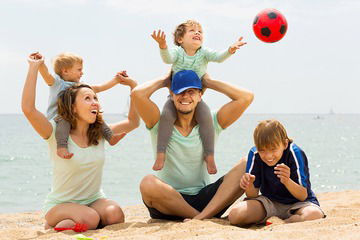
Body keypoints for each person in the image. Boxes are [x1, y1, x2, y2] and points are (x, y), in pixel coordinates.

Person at [22, 54, 140, 230]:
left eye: (95, 98)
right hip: (59, 205)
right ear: (73, 107)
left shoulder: (98, 132)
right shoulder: (55, 133)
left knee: (115, 214)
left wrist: (133, 87)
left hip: (93, 200)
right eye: (87, 98)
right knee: (91, 218)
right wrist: (33, 67)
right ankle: (60, 220)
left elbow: (133, 123)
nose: (95, 103)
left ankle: (68, 224)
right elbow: (29, 109)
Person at [131, 69, 254, 221]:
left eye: (191, 92)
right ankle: (200, 218)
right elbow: (137, 94)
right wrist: (164, 80)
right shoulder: (159, 123)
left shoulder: (213, 122)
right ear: (172, 95)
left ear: (200, 95)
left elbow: (246, 97)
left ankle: (200, 217)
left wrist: (209, 82)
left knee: (247, 163)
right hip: (169, 203)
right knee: (148, 183)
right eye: (180, 92)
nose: (185, 97)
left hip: (205, 201)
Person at [151, 20, 247, 174]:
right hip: (176, 97)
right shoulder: (178, 52)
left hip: (195, 98)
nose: (197, 33)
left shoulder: (204, 53)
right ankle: (161, 154)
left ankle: (209, 156)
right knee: (167, 117)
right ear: (180, 39)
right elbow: (167, 59)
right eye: (192, 31)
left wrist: (230, 49)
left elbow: (218, 57)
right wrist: (163, 45)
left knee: (206, 118)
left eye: (200, 31)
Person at [228, 120, 325, 226]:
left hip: (299, 204)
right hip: (270, 202)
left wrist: (287, 181)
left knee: (313, 214)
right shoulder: (255, 154)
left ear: (284, 144)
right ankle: (274, 219)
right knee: (235, 215)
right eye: (262, 150)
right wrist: (249, 185)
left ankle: (283, 222)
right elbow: (252, 195)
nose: (268, 156)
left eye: (273, 149)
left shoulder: (295, 153)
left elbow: (302, 195)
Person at [33, 51, 125, 159]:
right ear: (65, 71)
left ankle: (110, 137)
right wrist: (40, 63)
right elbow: (46, 75)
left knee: (96, 115)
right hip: (58, 117)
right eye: (79, 69)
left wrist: (116, 80)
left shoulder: (80, 87)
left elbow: (99, 87)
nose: (82, 73)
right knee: (64, 120)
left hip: (74, 116)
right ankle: (62, 147)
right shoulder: (57, 84)